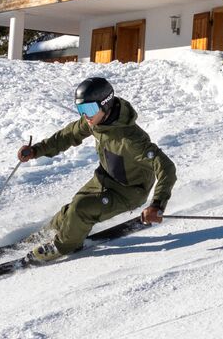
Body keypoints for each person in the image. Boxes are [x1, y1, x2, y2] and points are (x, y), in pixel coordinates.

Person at [16, 76, 176, 263]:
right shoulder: (95, 122)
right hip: (104, 178)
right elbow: (67, 136)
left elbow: (166, 167)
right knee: (68, 212)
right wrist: (36, 150)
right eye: (81, 109)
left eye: (89, 109)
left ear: (105, 105)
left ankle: (64, 246)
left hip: (129, 191)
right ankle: (48, 233)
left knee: (81, 210)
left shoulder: (131, 139)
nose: (85, 115)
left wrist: (157, 204)